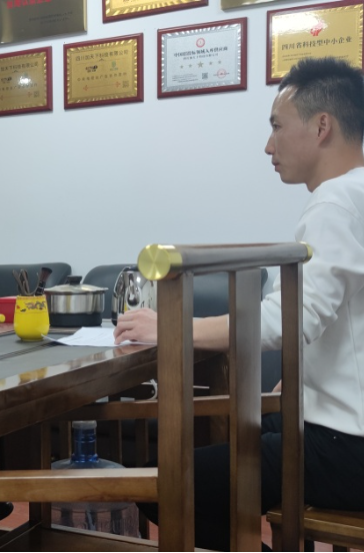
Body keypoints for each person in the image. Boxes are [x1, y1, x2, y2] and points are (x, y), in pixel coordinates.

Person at [114, 57, 364, 551]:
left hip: (346, 449)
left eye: (277, 126)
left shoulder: (336, 202)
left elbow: (289, 319)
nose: (268, 146)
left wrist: (171, 328)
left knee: (158, 482)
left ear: (321, 127)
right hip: (340, 427)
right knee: (238, 431)